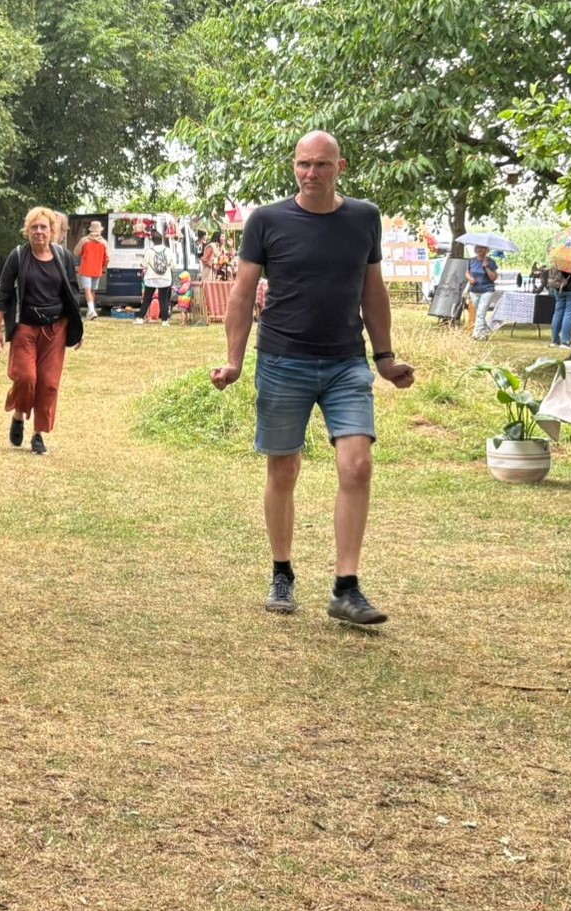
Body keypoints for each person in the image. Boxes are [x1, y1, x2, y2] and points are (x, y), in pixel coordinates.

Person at [211, 131, 416, 625]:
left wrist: (385, 358)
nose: (310, 173)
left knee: (357, 465)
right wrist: (235, 361)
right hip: (283, 361)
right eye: (303, 164)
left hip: (347, 362)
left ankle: (346, 588)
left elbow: (373, 292)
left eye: (321, 165)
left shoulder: (364, 218)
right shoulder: (267, 220)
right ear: (294, 166)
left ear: (339, 167)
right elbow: (241, 295)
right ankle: (282, 572)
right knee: (283, 470)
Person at [0, 206, 86, 455]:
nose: (39, 231)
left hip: (56, 330)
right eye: (34, 227)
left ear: (52, 230)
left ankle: (38, 434)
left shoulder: (63, 257)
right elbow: (3, 293)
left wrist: (77, 327)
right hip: (25, 327)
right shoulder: (18, 256)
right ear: (27, 231)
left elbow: (73, 293)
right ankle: (19, 414)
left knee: (48, 384)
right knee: (26, 377)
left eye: (43, 227)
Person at [463, 243, 503, 340]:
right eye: (479, 248)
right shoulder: (471, 261)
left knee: (481, 311)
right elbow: (467, 273)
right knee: (479, 312)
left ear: (487, 250)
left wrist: (486, 267)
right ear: (476, 250)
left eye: (484, 248)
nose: (481, 250)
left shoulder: (491, 262)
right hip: (474, 290)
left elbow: (493, 278)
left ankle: (477, 334)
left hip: (487, 290)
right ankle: (485, 331)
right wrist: (470, 278)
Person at [137, 238, 174, 325]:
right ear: (162, 241)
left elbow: (145, 265)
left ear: (153, 241)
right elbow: (173, 265)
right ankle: (165, 321)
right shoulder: (168, 251)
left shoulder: (149, 251)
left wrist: (142, 264)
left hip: (151, 277)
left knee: (147, 298)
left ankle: (140, 318)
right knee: (163, 299)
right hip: (165, 278)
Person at [77, 220, 109, 318]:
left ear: (90, 229)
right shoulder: (104, 242)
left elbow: (76, 252)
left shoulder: (84, 240)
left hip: (86, 269)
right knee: (92, 291)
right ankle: (90, 311)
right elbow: (107, 258)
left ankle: (91, 310)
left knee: (87, 291)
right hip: (97, 270)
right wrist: (103, 267)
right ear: (99, 230)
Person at [549, 264, 571, 350]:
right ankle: (565, 341)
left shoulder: (561, 259)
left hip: (558, 288)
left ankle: (554, 340)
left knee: (558, 313)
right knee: (569, 314)